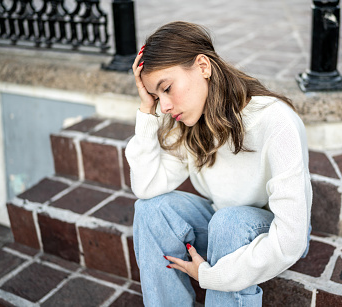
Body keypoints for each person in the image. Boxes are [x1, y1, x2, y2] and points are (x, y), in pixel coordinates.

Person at [125, 21, 312, 307]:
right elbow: (147, 187)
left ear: (203, 66)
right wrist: (146, 111)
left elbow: (290, 241)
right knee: (151, 211)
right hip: (221, 225)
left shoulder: (275, 121)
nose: (164, 106)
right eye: (155, 96)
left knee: (230, 222)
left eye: (167, 89)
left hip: (273, 232)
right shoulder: (187, 122)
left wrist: (211, 276)